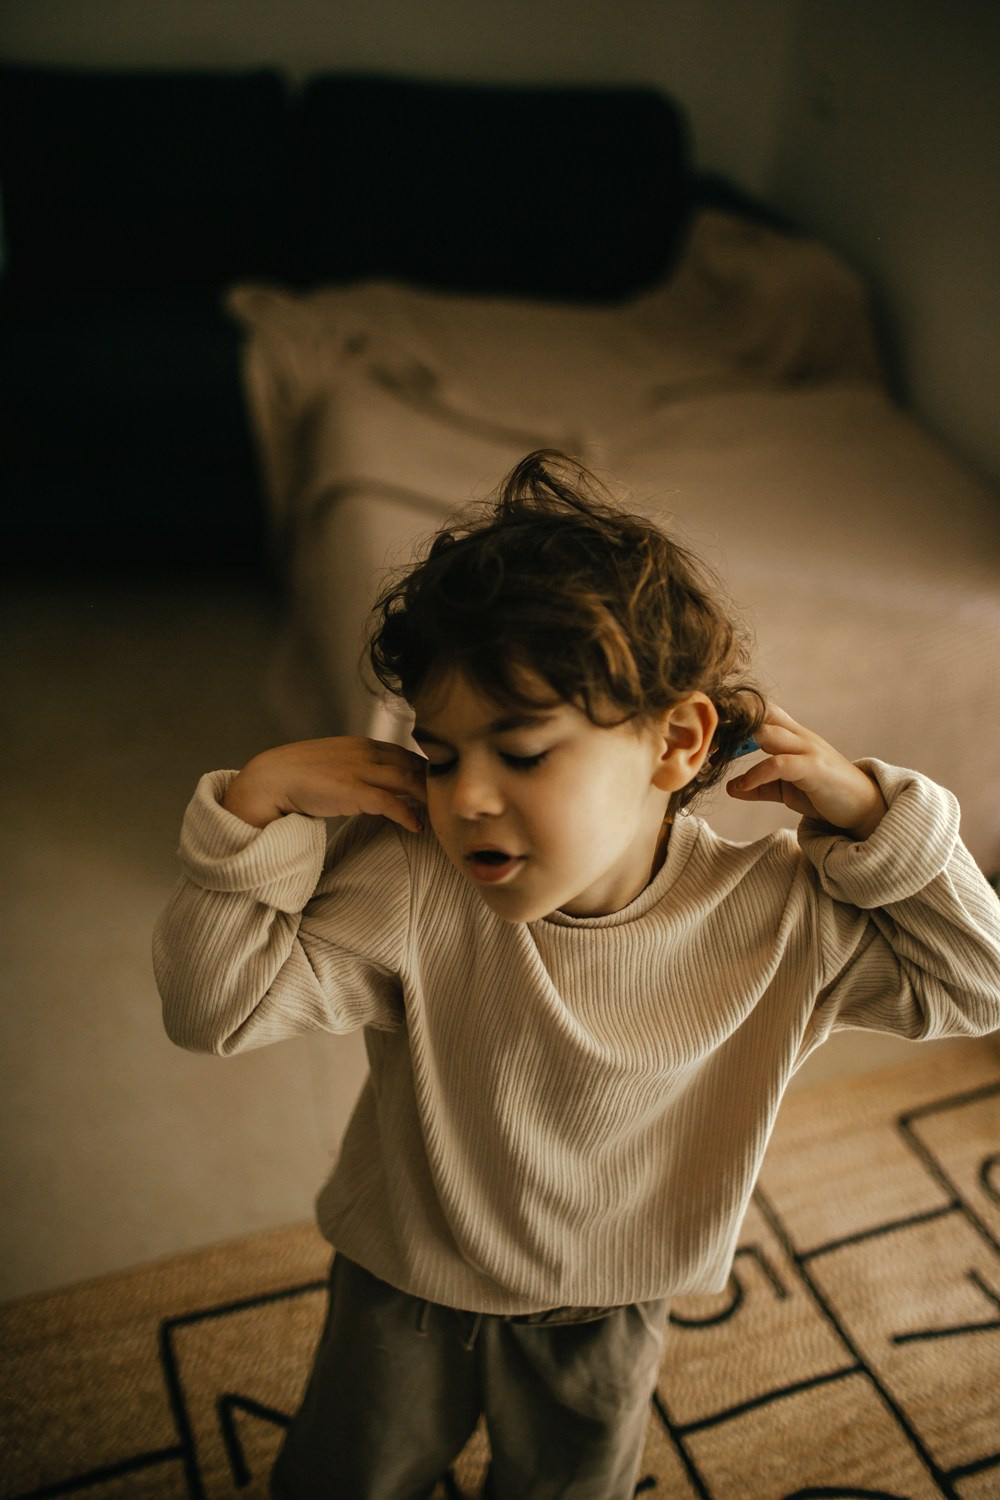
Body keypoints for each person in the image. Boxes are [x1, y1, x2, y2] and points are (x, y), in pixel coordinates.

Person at [153, 450, 1000, 1500]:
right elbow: (211, 1009)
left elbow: (978, 986)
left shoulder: (779, 914)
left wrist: (884, 822)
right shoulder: (417, 880)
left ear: (677, 742)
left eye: (520, 752)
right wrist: (252, 809)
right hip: (406, 1288)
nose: (463, 798)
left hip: (614, 1306)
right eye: (442, 750)